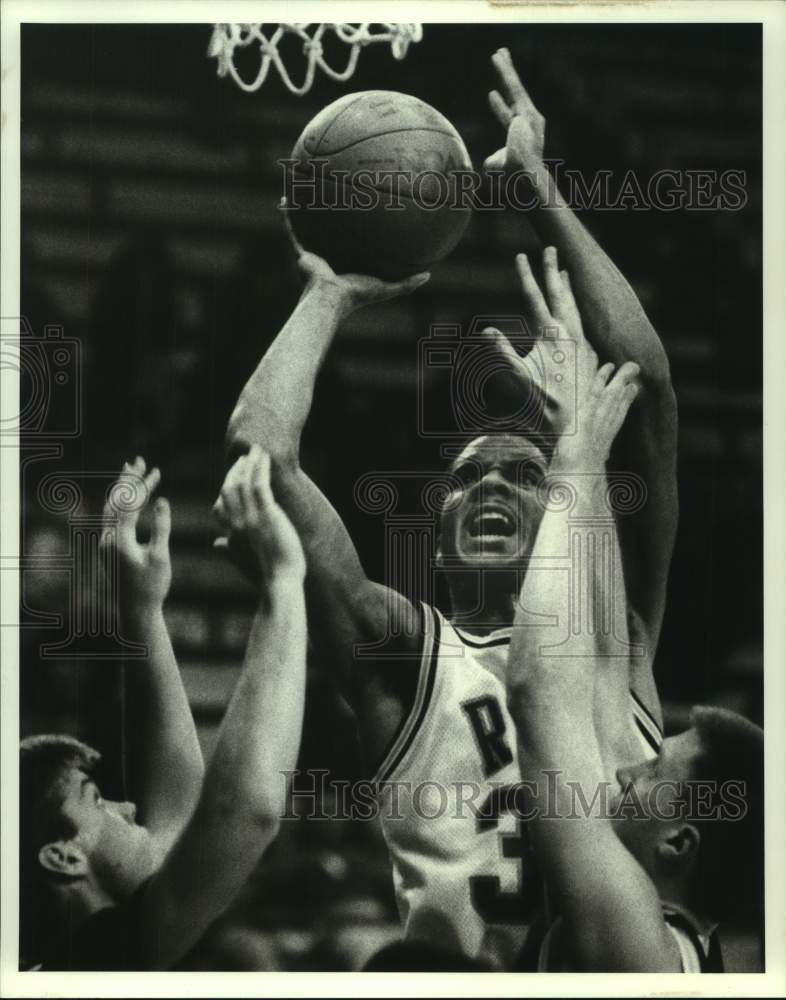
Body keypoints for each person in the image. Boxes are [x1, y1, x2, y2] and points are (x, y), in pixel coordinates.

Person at [221, 50, 676, 968]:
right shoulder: (401, 649)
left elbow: (650, 394)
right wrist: (328, 294)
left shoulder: (615, 629)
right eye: (468, 477)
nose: (494, 484)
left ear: (563, 507)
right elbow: (260, 463)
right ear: (435, 536)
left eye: (521, 471)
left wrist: (543, 189)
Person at [502, 265, 763, 971]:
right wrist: (581, 422)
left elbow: (534, 690)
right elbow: (601, 658)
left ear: (678, 841)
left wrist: (576, 456)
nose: (627, 769)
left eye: (653, 772)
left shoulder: (639, 949)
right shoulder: (653, 884)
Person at [21, 447, 307, 970]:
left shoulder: (92, 947)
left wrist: (141, 607)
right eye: (97, 801)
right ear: (64, 857)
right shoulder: (98, 963)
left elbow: (179, 813)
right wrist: (283, 582)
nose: (129, 806)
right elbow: (247, 809)